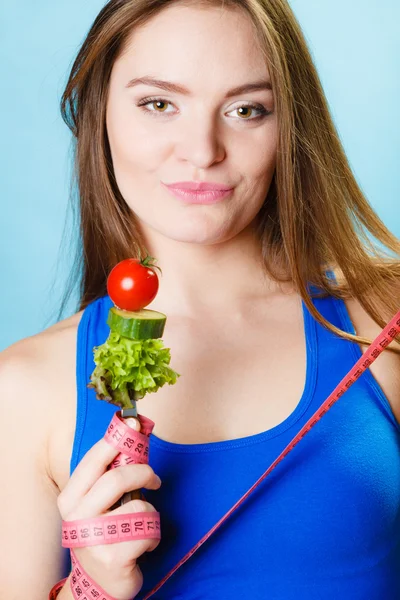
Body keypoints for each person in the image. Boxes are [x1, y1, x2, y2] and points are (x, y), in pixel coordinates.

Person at [1, 0, 399, 598]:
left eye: (246, 109)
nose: (202, 150)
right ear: (97, 113)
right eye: (159, 104)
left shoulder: (382, 322)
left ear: (290, 126)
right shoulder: (24, 389)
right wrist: (92, 588)